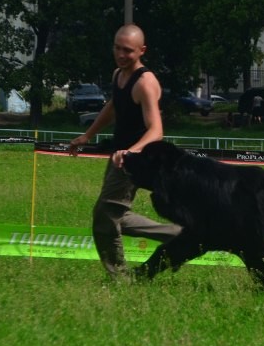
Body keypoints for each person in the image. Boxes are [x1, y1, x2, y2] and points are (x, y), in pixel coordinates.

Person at [69, 24, 181, 276]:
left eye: (127, 51)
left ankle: (119, 277)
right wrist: (88, 135)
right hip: (121, 156)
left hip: (138, 160)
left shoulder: (145, 82)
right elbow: (114, 106)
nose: (121, 54)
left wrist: (130, 152)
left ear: (142, 50)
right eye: (117, 48)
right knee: (115, 214)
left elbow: (156, 131)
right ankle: (180, 236)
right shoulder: (118, 75)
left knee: (105, 214)